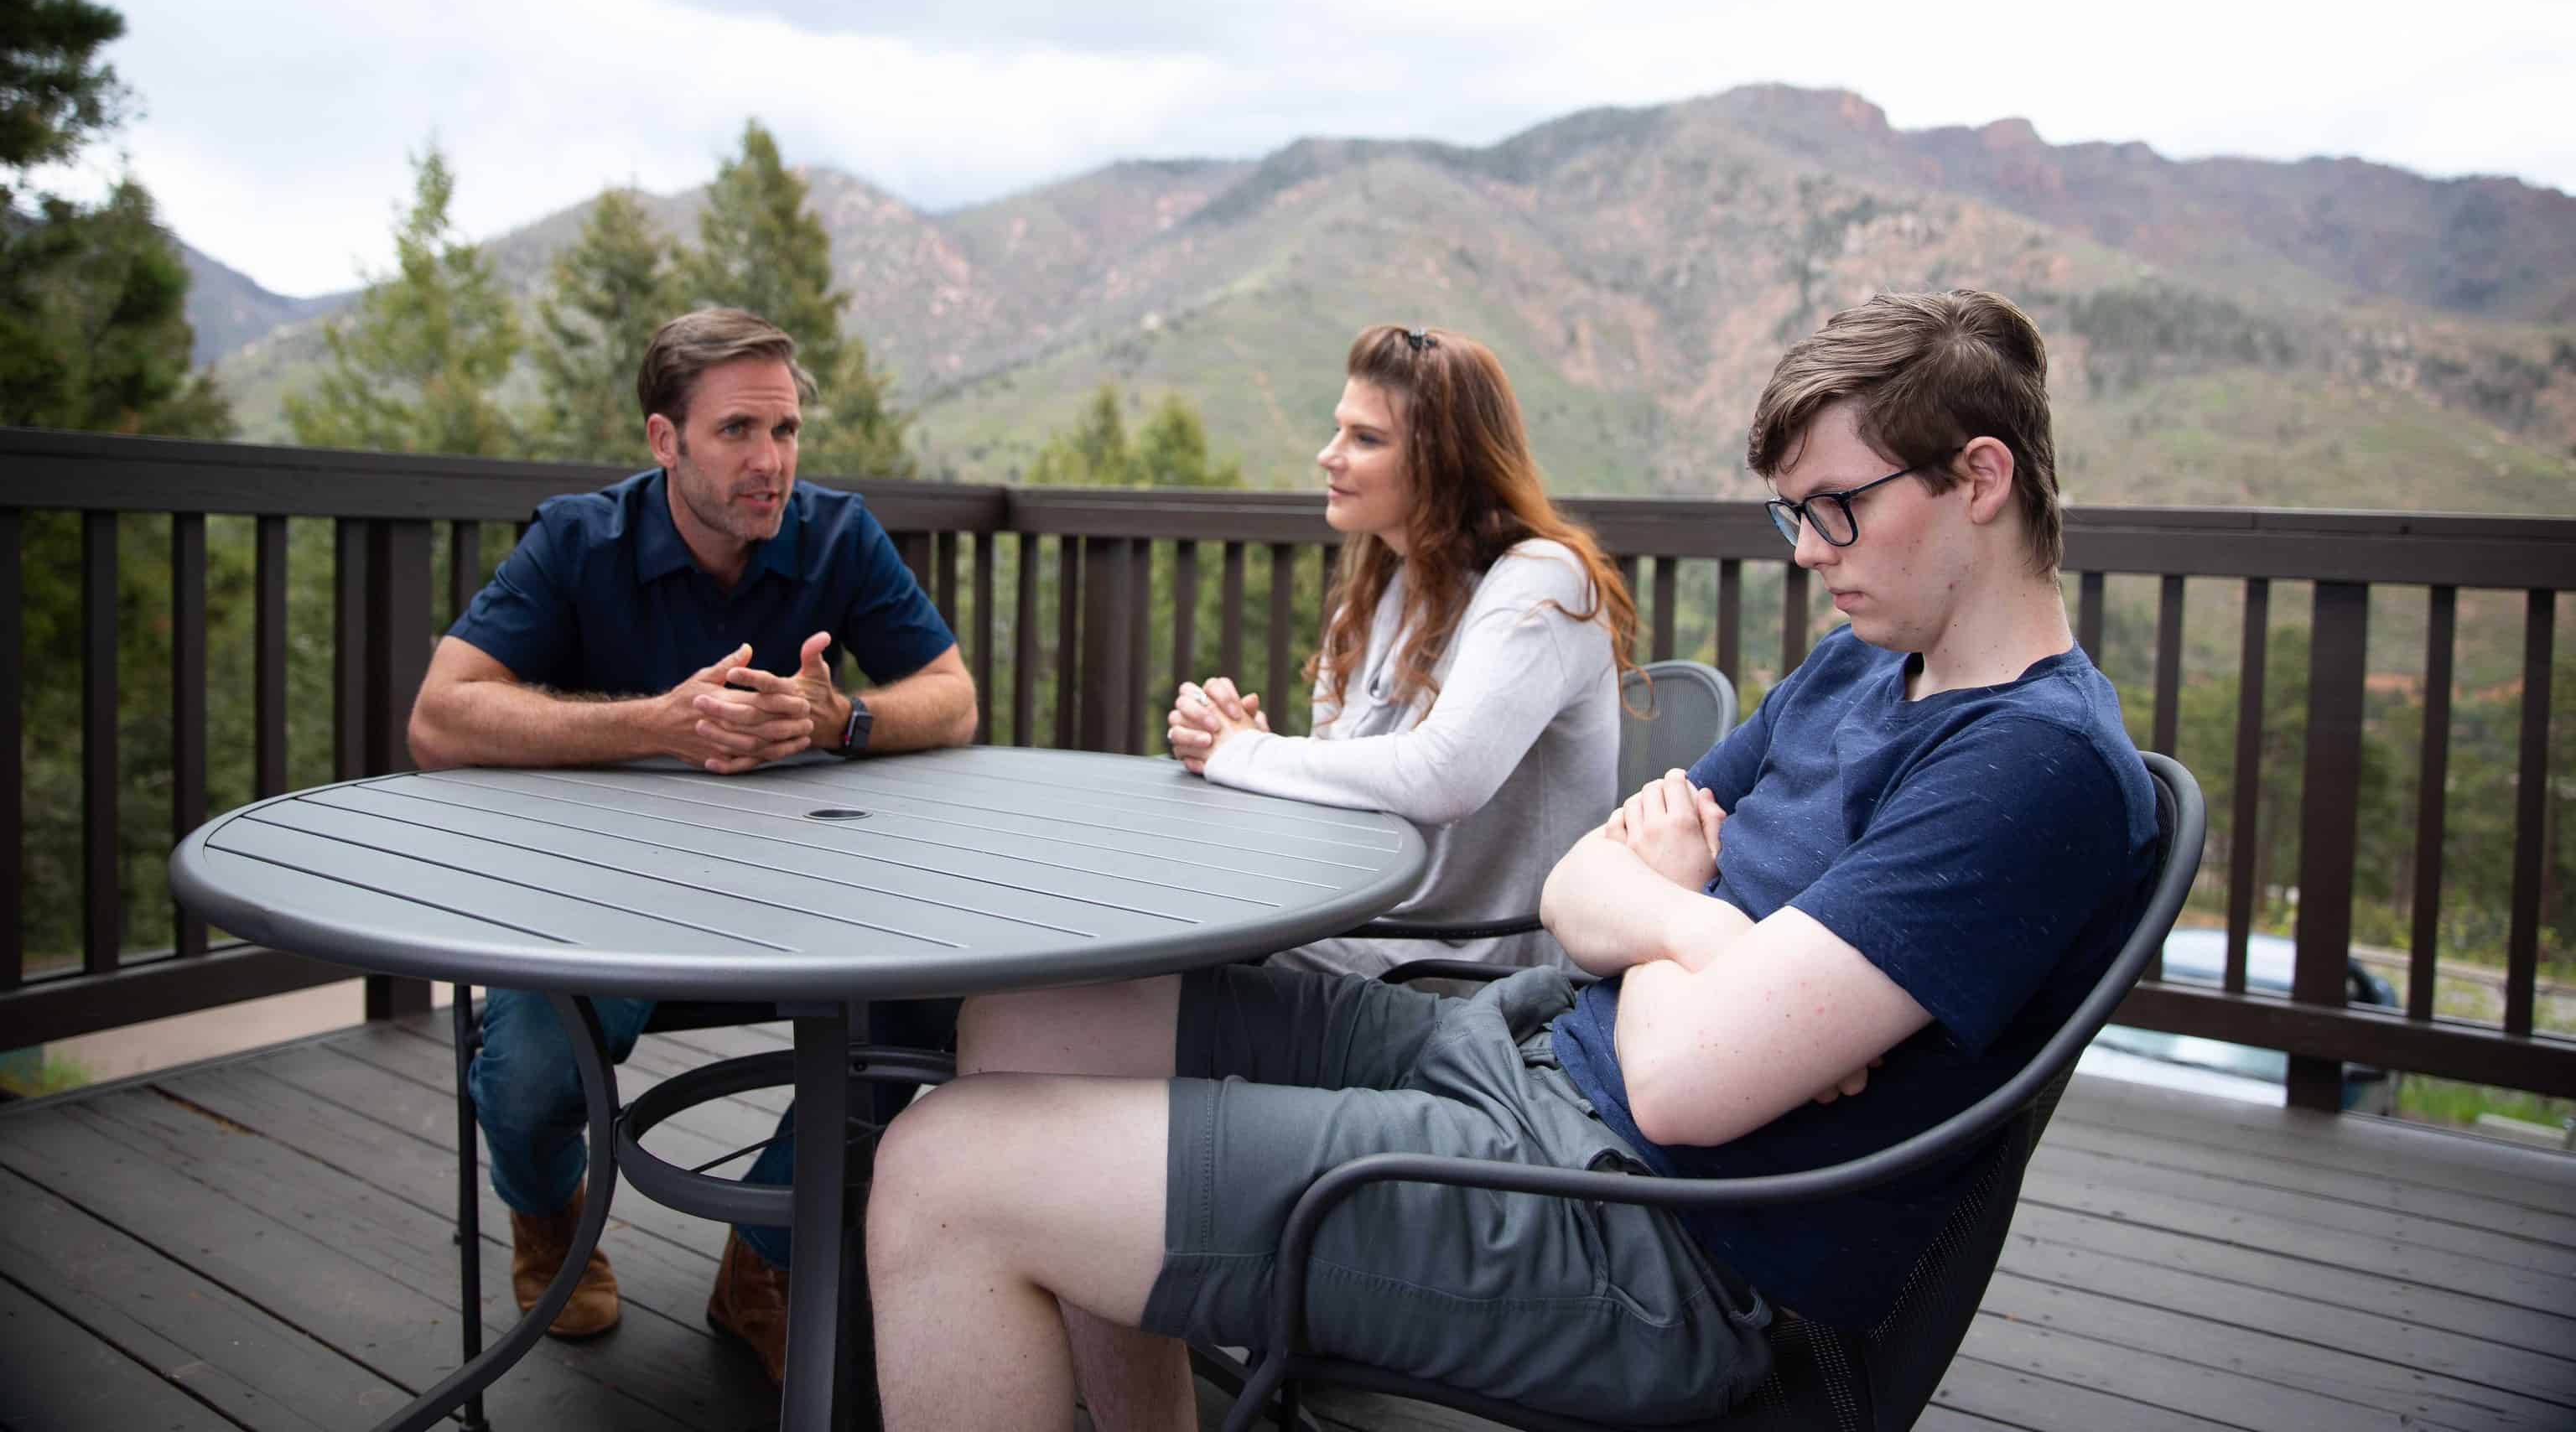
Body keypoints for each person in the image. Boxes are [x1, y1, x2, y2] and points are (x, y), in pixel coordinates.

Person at [862, 287, 2159, 1429]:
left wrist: (1663, 895)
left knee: (943, 1174)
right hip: (1520, 1052)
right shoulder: (1860, 670)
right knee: (1033, 1017)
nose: (1811, 551)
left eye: (1837, 508)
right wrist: (1698, 927)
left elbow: (1676, 1090)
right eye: (1794, 514)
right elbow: (1577, 881)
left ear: (1979, 479)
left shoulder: (2030, 766)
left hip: (1649, 1242)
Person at [407, 305, 976, 1383]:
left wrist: (843, 718)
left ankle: (762, 1256)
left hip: (805, 893)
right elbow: (440, 717)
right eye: (737, 431)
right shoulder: (580, 539)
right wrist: (655, 723)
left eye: (786, 429)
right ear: (665, 439)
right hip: (608, 898)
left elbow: (953, 696)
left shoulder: (837, 532)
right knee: (528, 1074)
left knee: (935, 999)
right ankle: (549, 1221)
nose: (771, 461)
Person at [1164, 323, 1635, 976]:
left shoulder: (1542, 582)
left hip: (1471, 968)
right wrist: (1251, 753)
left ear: (1445, 460)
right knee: (1166, 902)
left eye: (1366, 439)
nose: (1329, 456)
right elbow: (1349, 788)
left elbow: (1445, 777)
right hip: (1368, 926)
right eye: (1339, 430)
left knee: (1170, 946)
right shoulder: (1382, 587)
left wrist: (1247, 754)